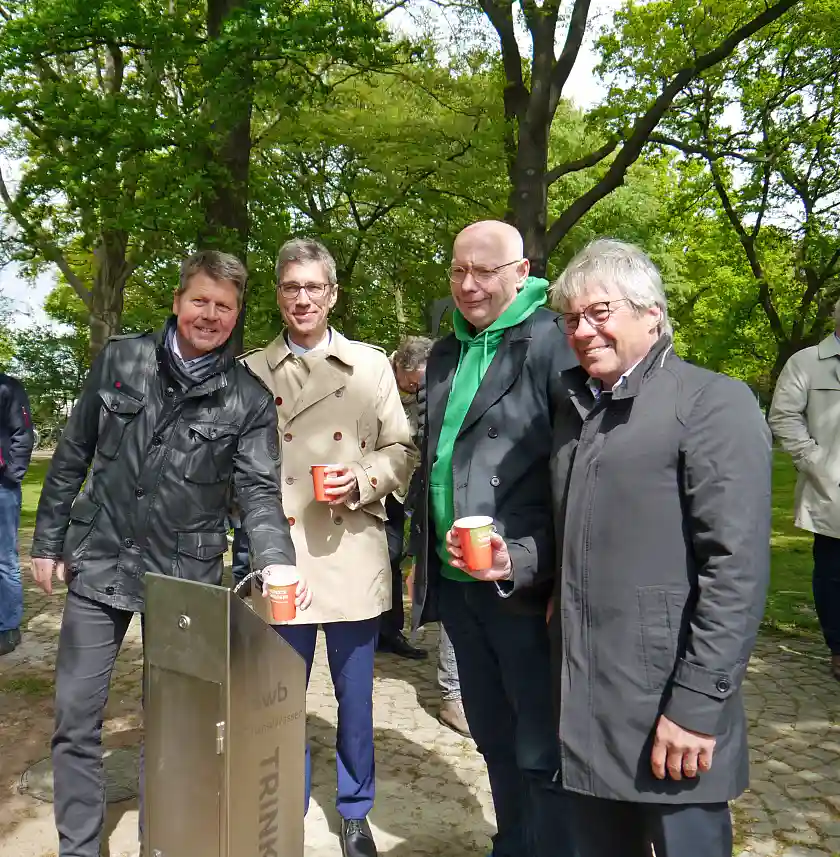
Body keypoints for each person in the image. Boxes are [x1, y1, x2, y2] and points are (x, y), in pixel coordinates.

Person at [29, 250, 306, 857]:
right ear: (179, 300)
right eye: (200, 300)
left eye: (224, 307)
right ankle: (79, 847)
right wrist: (48, 543)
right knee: (77, 716)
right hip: (101, 558)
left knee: (178, 727)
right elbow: (73, 454)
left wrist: (275, 561)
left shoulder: (249, 400)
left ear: (237, 316)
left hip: (186, 574)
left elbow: (258, 494)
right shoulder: (121, 359)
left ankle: (165, 841)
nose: (210, 315)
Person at [531, 238, 770, 857]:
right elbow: (573, 537)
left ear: (651, 313)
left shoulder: (712, 403)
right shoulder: (578, 407)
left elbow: (736, 571)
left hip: (668, 706)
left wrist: (695, 707)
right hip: (584, 701)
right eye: (571, 318)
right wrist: (521, 562)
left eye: (599, 312)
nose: (582, 330)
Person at [242, 238, 414, 857]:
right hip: (278, 557)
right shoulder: (250, 371)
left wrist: (364, 478)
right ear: (279, 295)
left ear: (333, 294)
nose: (303, 298)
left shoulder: (369, 366)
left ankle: (354, 810)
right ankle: (280, 800)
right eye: (292, 287)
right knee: (277, 697)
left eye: (314, 287)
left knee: (355, 701)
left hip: (349, 554)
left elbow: (402, 451)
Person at [411, 219, 578, 857]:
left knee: (539, 741)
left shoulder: (553, 342)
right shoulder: (447, 350)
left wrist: (533, 559)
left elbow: (576, 471)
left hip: (522, 585)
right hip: (458, 583)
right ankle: (515, 841)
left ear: (522, 272)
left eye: (484, 271)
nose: (469, 284)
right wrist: (420, 557)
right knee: (489, 731)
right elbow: (438, 456)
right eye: (458, 269)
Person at [769, 304, 840, 681]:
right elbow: (783, 414)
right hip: (833, 486)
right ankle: (838, 648)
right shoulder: (807, 362)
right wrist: (814, 460)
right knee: (833, 572)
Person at [378, 336, 433, 660]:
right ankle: (366, 630)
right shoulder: (374, 376)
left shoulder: (428, 383)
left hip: (403, 488)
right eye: (412, 382)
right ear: (399, 366)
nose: (416, 389)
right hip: (371, 483)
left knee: (394, 557)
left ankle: (389, 631)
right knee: (380, 556)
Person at [0, 371, 34, 655]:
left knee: (4, 559)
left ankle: (8, 626)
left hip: (1, 487)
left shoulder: (7, 387)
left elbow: (22, 433)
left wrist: (12, 476)